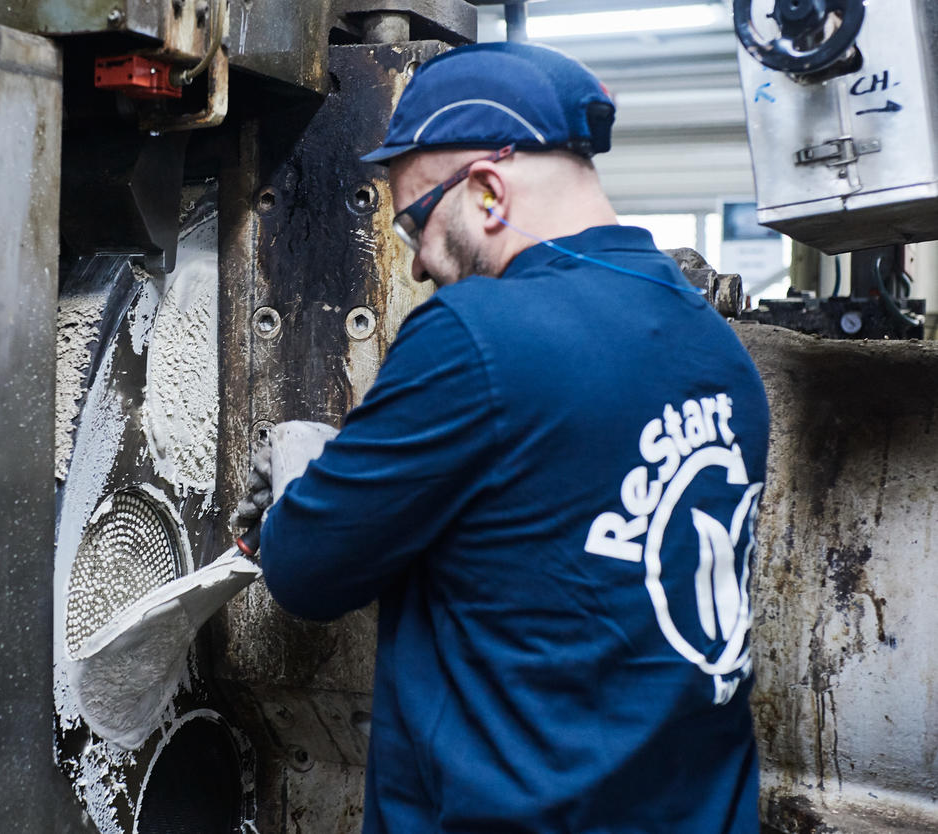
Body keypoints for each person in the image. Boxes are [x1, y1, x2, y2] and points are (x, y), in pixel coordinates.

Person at [235, 42, 769, 833]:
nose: (416, 264)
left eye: (416, 220)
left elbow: (310, 575)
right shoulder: (721, 352)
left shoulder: (477, 335)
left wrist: (298, 500)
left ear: (486, 191)